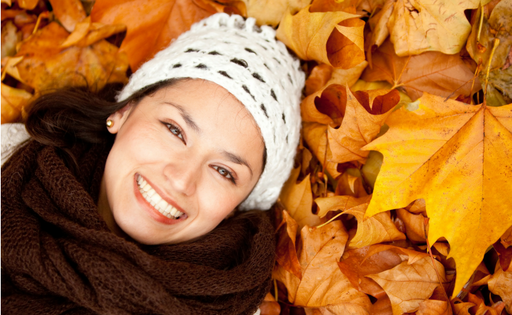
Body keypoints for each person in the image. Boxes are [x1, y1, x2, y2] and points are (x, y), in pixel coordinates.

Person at [1, 13, 304, 314]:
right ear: (124, 110)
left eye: (224, 172)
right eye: (174, 130)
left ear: (238, 206)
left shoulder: (231, 304)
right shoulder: (6, 157)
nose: (181, 179)